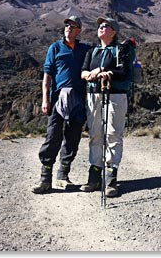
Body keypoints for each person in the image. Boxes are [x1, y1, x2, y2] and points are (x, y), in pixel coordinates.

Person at [32, 16, 91, 194]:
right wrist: (45, 99)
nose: (68, 28)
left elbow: (102, 54)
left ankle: (63, 173)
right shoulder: (55, 48)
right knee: (53, 136)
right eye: (66, 25)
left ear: (79, 30)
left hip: (78, 100)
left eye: (73, 26)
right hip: (58, 99)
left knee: (73, 138)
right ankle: (45, 179)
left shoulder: (85, 49)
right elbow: (47, 76)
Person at [80, 17, 135, 197]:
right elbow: (84, 71)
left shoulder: (121, 50)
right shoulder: (92, 51)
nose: (101, 28)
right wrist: (89, 74)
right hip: (94, 95)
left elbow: (126, 71)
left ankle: (111, 176)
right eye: (100, 26)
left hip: (115, 95)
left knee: (113, 133)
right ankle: (95, 174)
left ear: (114, 31)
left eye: (106, 26)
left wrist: (106, 71)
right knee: (95, 133)